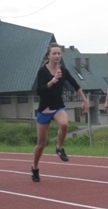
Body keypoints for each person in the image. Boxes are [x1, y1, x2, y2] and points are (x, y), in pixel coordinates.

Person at [32, 43, 89, 182]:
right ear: (48, 55)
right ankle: (35, 167)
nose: (57, 56)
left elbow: (76, 85)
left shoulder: (63, 71)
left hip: (58, 106)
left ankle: (59, 148)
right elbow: (39, 91)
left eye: (59, 53)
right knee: (41, 144)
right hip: (45, 109)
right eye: (54, 53)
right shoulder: (42, 71)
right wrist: (53, 80)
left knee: (64, 124)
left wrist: (85, 100)